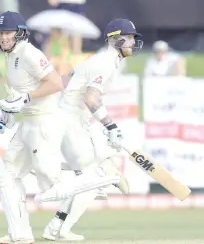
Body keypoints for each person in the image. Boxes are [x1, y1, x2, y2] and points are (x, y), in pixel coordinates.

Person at [0, 11, 119, 244]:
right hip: (27, 123)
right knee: (6, 174)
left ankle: (103, 176)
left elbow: (56, 83)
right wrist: (5, 112)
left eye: (8, 33)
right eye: (0, 34)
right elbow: (16, 94)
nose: (3, 38)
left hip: (45, 122)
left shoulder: (29, 53)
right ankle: (19, 234)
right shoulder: (9, 58)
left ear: (20, 33)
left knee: (50, 187)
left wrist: (25, 99)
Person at [40, 18, 143, 241]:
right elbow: (90, 98)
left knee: (84, 179)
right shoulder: (105, 62)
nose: (133, 43)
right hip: (71, 122)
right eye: (130, 38)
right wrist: (110, 125)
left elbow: (65, 80)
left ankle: (55, 226)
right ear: (115, 39)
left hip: (71, 120)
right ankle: (62, 229)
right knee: (91, 181)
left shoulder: (98, 60)